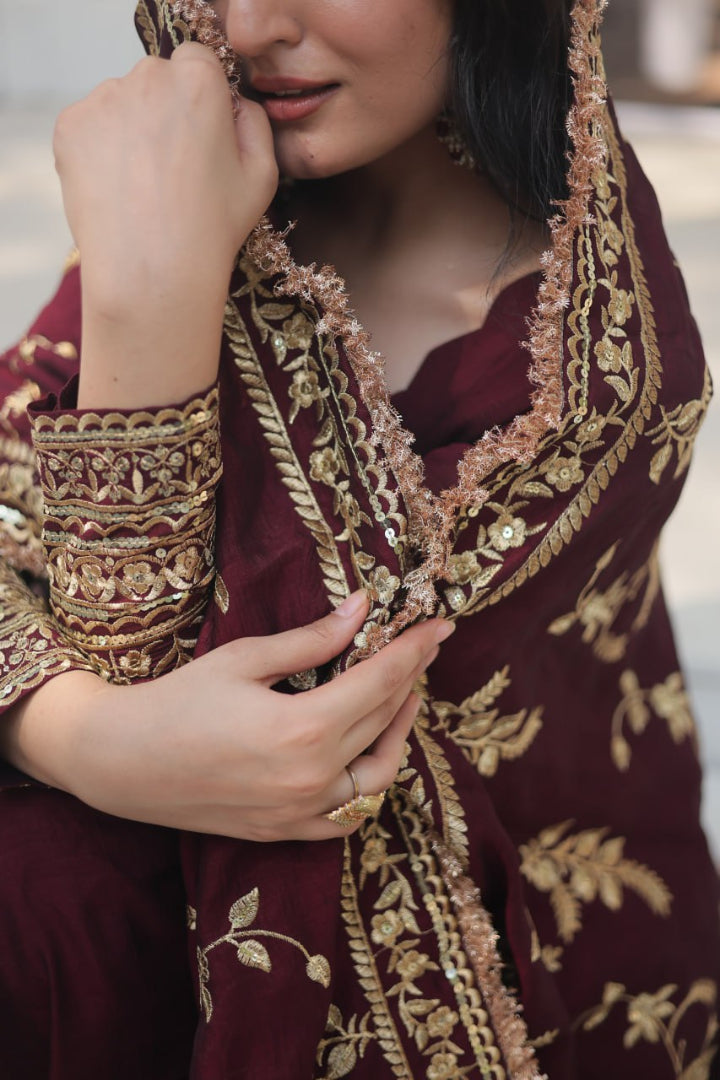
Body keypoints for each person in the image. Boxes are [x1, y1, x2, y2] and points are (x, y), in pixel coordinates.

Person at [0, 0, 718, 1077]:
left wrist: (152, 304)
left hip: (525, 978)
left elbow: (242, 730)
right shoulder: (220, 193)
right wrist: (70, 736)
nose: (246, 26)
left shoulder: (588, 366)